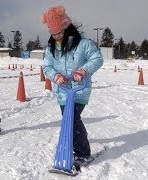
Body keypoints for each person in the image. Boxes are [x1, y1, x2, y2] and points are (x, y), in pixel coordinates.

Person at [42, 5, 104, 165]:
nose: (57, 37)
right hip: (62, 92)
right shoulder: (51, 48)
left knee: (73, 119)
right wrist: (55, 76)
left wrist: (82, 71)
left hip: (79, 91)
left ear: (68, 28)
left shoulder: (84, 44)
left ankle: (83, 153)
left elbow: (97, 59)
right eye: (53, 34)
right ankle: (75, 142)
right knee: (68, 119)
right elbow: (47, 66)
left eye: (60, 33)